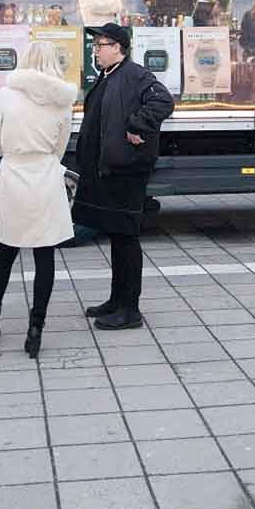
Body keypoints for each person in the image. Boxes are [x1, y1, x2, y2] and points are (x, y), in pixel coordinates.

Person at [72, 23, 174, 330]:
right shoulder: (109, 76)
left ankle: (130, 310)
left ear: (118, 47)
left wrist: (136, 126)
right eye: (95, 46)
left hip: (126, 172)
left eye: (100, 45)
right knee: (117, 237)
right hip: (109, 172)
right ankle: (116, 300)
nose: (95, 51)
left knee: (126, 238)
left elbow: (163, 101)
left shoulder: (135, 75)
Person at [0, 41, 77, 359]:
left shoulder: (6, 94)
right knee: (44, 255)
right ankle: (35, 329)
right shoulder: (63, 101)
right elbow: (61, 147)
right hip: (45, 177)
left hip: (14, 175)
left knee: (6, 251)